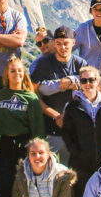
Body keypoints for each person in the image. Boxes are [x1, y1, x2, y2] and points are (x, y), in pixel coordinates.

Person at [0, 56, 46, 197]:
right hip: (5, 144)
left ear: (24, 74)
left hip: (25, 146)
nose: (16, 74)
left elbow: (38, 132)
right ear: (7, 74)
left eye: (19, 70)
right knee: (4, 187)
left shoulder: (31, 98)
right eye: (12, 71)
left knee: (25, 190)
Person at [62, 65, 101, 197]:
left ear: (98, 81)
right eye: (84, 80)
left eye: (91, 80)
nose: (88, 84)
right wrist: (76, 151)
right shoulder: (73, 107)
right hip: (81, 164)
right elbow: (67, 133)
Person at [30, 25, 88, 160]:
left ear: (73, 43)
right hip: (51, 128)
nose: (63, 47)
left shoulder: (81, 64)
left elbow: (91, 90)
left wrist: (75, 81)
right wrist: (56, 116)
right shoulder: (43, 64)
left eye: (66, 43)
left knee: (72, 172)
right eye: (59, 44)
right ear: (54, 44)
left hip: (75, 128)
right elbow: (32, 94)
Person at [74, 0, 101, 73]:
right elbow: (70, 47)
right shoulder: (83, 28)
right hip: (88, 76)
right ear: (91, 11)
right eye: (95, 9)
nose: (98, 12)